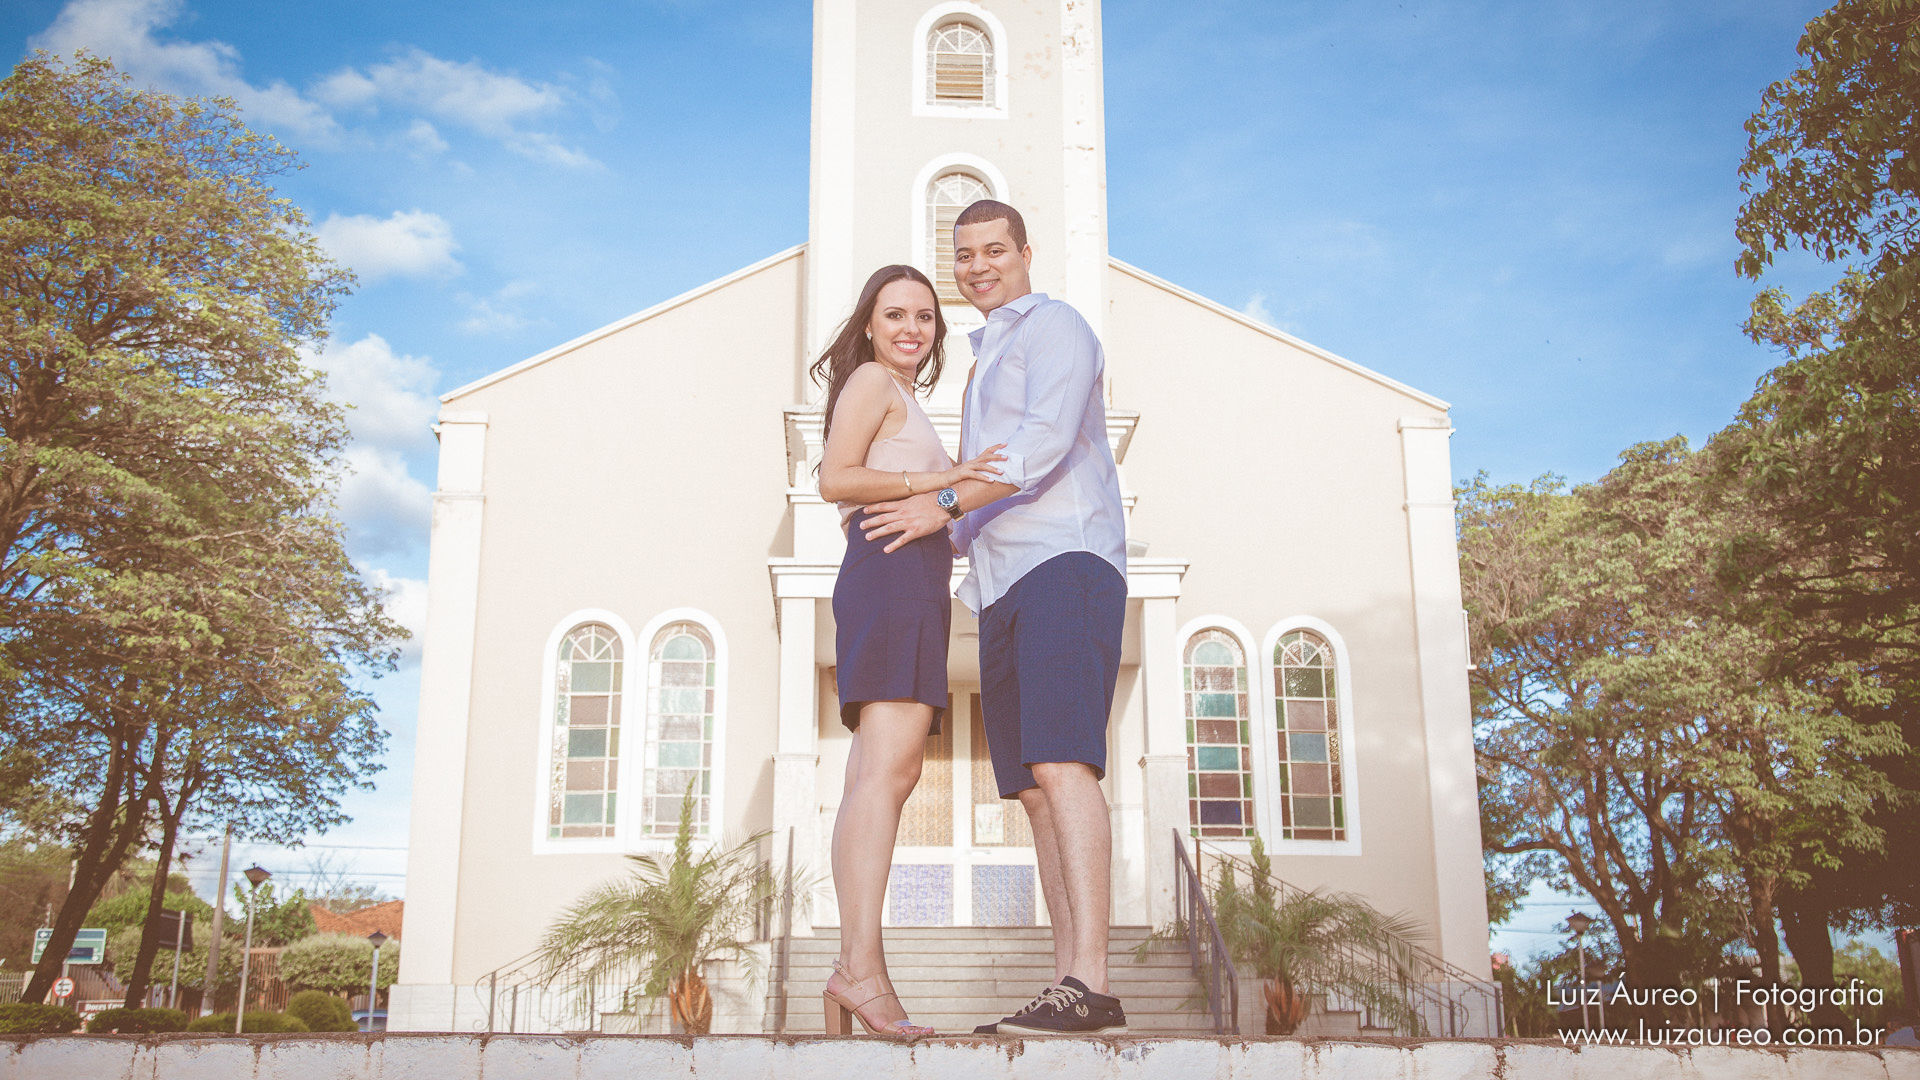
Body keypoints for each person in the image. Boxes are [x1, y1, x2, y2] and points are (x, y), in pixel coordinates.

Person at [859, 202, 1130, 1036]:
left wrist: (939, 504)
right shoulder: (982, 368)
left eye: (994, 250)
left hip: (1065, 560)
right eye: (965, 254)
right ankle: (1066, 984)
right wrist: (924, 528)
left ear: (1024, 252)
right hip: (1003, 580)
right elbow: (976, 495)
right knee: (1033, 791)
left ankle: (1092, 981)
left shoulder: (1056, 326)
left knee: (1063, 764)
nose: (978, 265)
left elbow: (1041, 445)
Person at [811, 263, 1006, 1037]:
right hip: (890, 577)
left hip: (908, 580)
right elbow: (835, 479)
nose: (911, 329)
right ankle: (860, 971)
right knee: (886, 775)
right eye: (895, 314)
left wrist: (951, 501)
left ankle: (853, 968)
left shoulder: (901, 395)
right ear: (869, 324)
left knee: (879, 773)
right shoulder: (870, 382)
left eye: (924, 317)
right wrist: (944, 476)